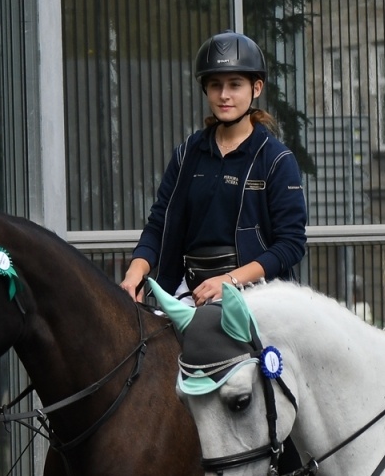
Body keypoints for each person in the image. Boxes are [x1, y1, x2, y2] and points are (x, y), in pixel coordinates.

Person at [121, 32, 307, 305]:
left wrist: (230, 280)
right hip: (187, 290)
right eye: (215, 85)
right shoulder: (187, 154)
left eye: (235, 85)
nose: (224, 95)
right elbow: (159, 225)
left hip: (257, 296)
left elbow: (290, 245)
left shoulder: (276, 159)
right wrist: (135, 272)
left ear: (256, 88)